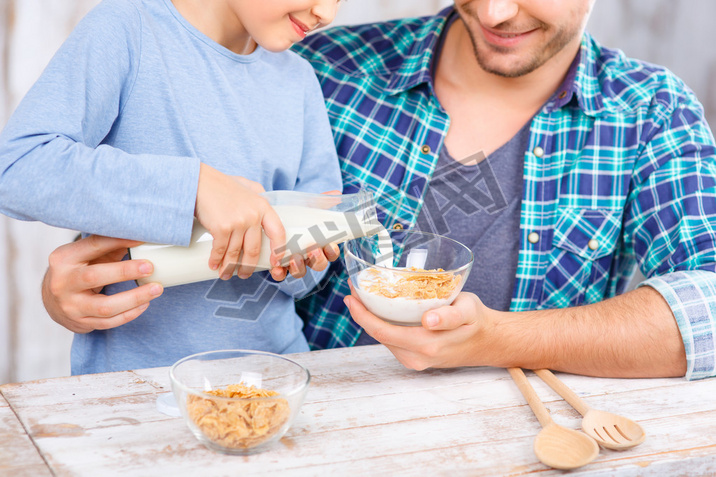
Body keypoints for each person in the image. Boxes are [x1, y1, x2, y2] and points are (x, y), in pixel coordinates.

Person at [37, 0, 716, 380]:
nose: (498, 11)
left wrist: (498, 338)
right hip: (306, 429)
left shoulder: (649, 112)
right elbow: (196, 200)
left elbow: (707, 307)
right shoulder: (318, 67)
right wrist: (88, 280)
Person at [0, 0, 345, 374]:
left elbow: (309, 272)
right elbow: (18, 169)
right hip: (134, 386)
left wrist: (299, 253)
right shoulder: (128, 29)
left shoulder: (298, 79)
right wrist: (195, 188)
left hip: (277, 373)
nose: (327, 13)